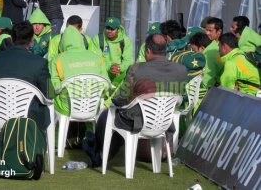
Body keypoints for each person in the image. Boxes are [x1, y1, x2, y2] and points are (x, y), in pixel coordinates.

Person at [82, 33, 188, 167]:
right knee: (117, 116)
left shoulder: (137, 68)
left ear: (147, 51)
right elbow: (181, 97)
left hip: (137, 122)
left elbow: (120, 99)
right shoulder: (181, 70)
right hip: (164, 123)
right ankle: (98, 150)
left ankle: (100, 156)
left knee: (107, 115)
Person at [0, 21, 51, 133]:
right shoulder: (40, 63)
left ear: (11, 38)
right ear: (31, 40)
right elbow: (50, 93)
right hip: (30, 117)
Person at [49, 25, 109, 117]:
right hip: (93, 106)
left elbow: (55, 87)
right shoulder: (97, 58)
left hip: (67, 107)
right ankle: (89, 128)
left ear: (63, 42)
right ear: (81, 40)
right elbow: (106, 84)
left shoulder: (57, 60)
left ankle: (61, 129)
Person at [92, 17, 134, 89]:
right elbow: (97, 60)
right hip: (103, 75)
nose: (109, 31)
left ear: (118, 29)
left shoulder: (126, 41)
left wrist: (119, 68)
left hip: (120, 75)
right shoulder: (98, 39)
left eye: (112, 29)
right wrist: (110, 67)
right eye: (108, 28)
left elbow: (129, 60)